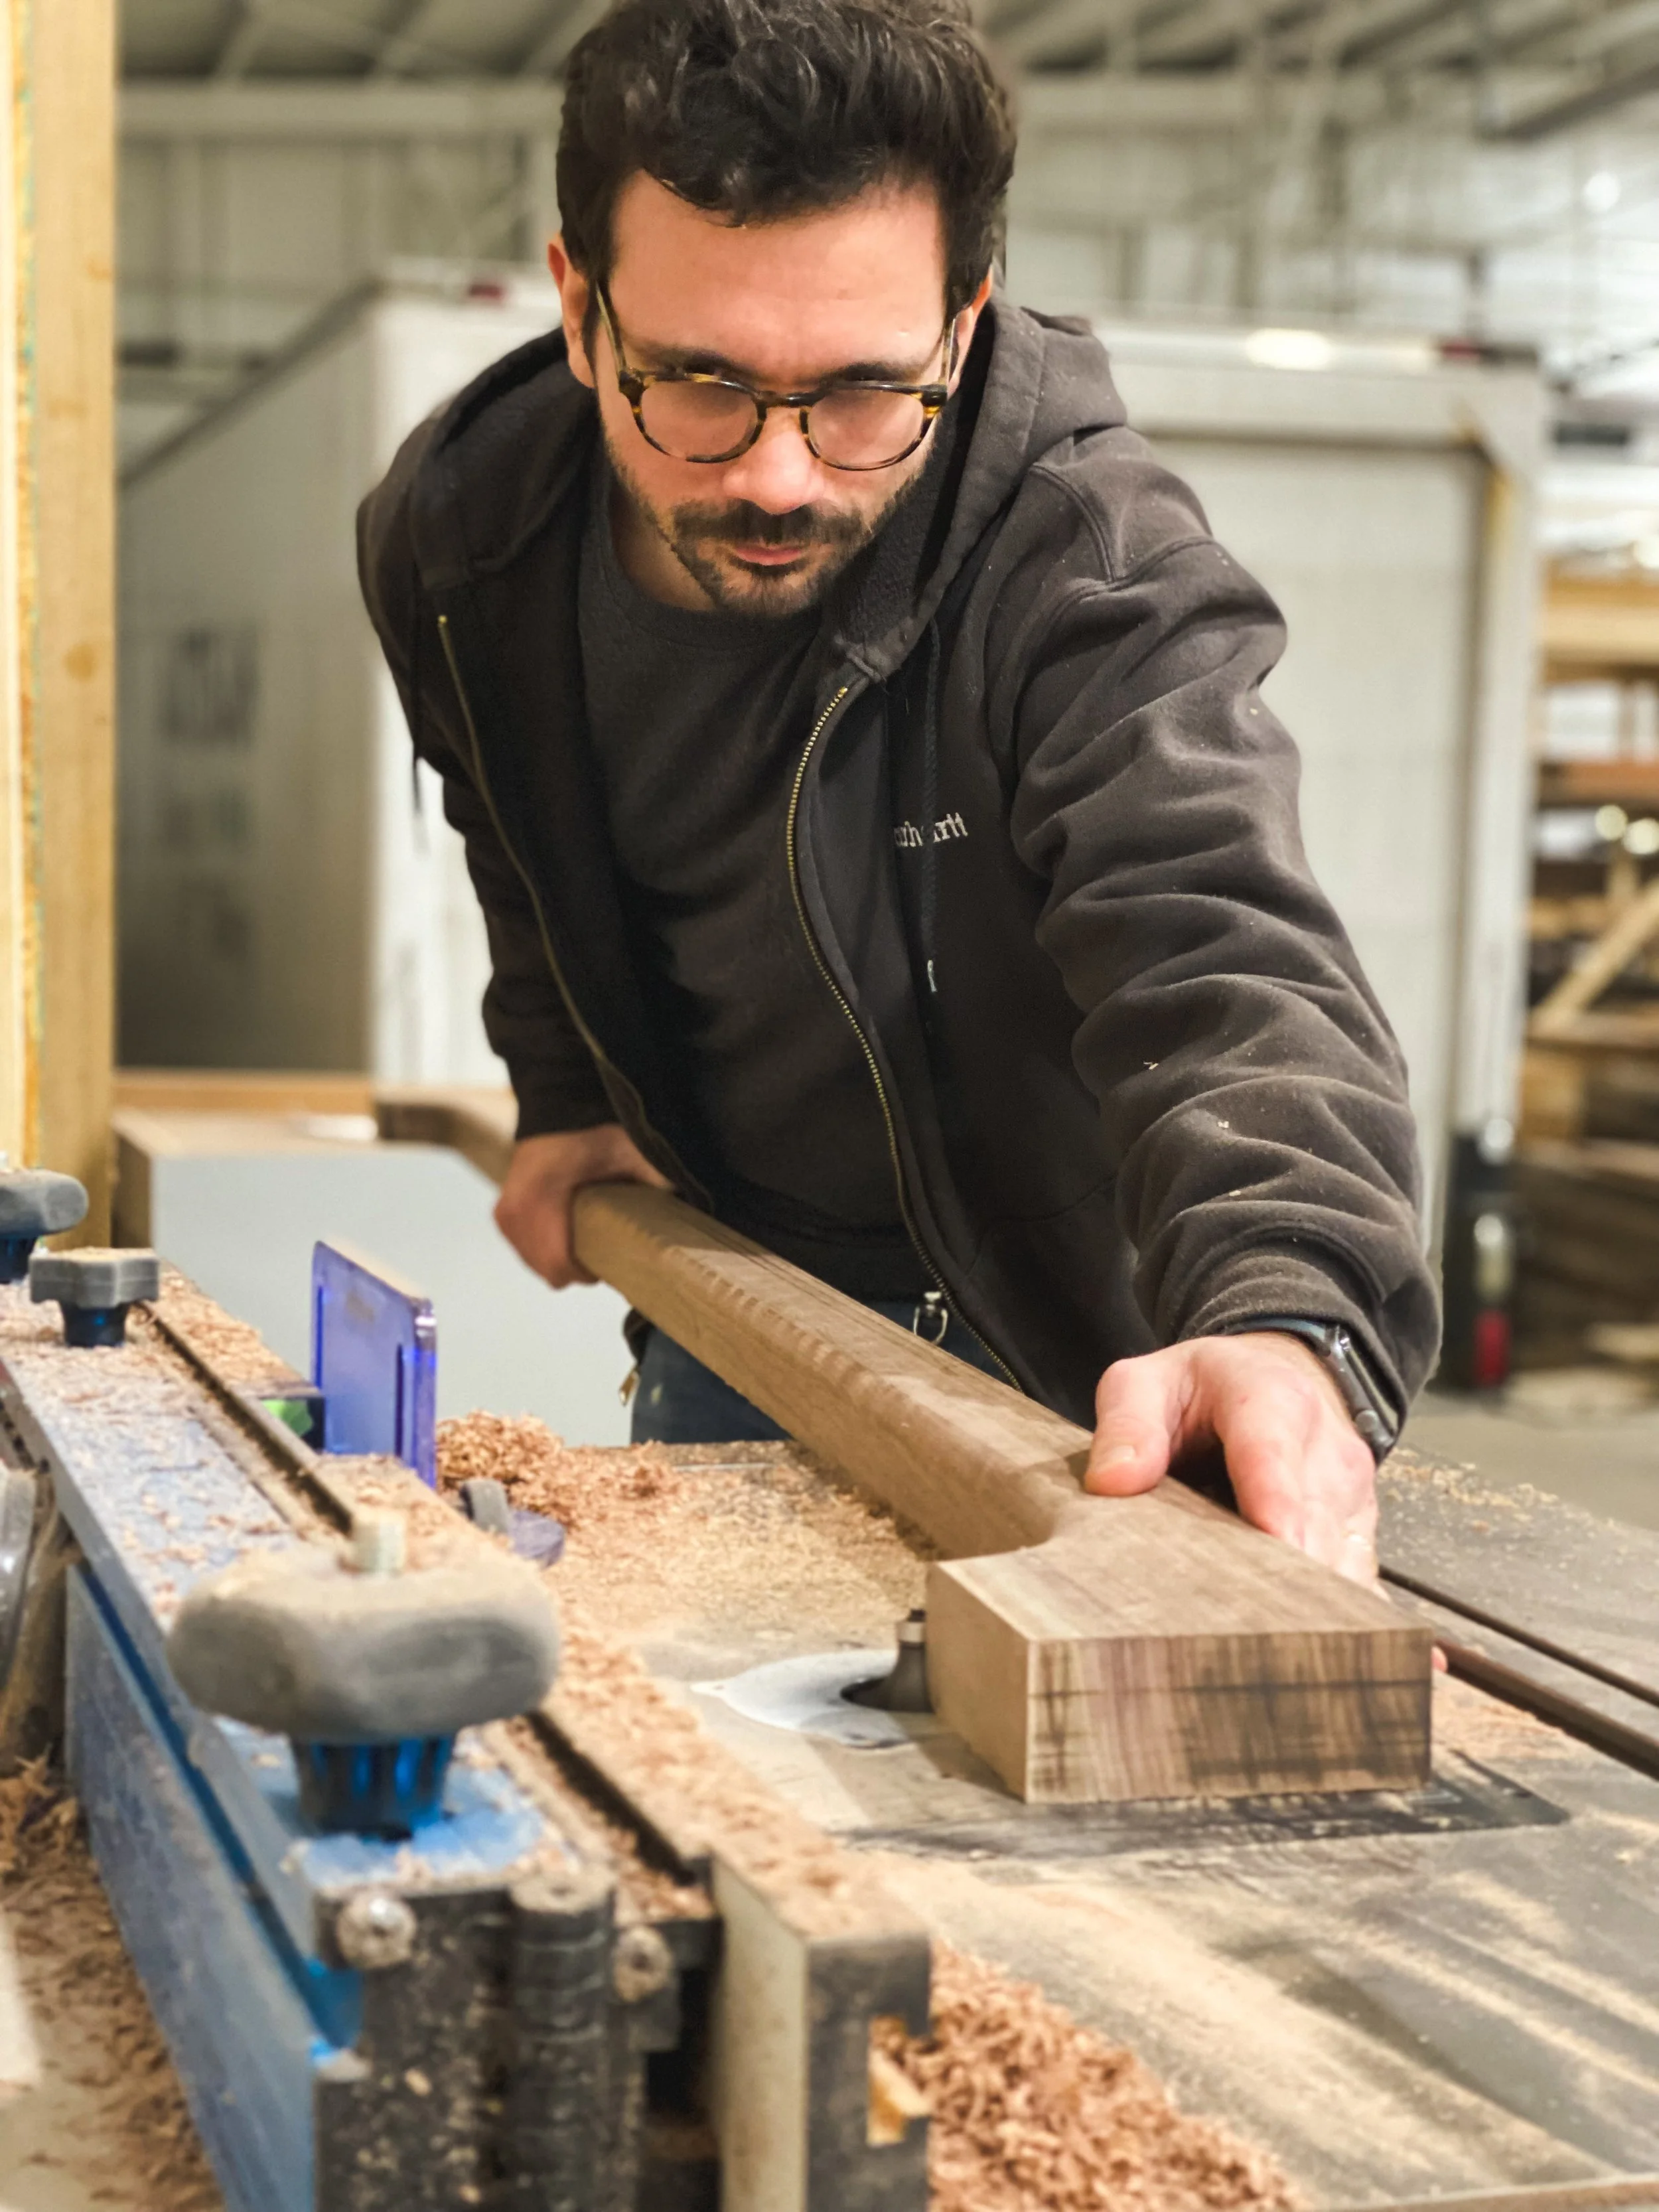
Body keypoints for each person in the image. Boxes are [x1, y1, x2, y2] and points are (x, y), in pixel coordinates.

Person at [359, 0, 1439, 1586]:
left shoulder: (1088, 565)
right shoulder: (460, 545)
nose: (780, 477)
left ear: (963, 317)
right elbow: (515, 832)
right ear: (578, 307)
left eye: (865, 395)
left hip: (1070, 1364)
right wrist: (564, 1090)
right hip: (744, 1291)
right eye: (700, 387)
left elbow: (1213, 942)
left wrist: (1282, 1314)